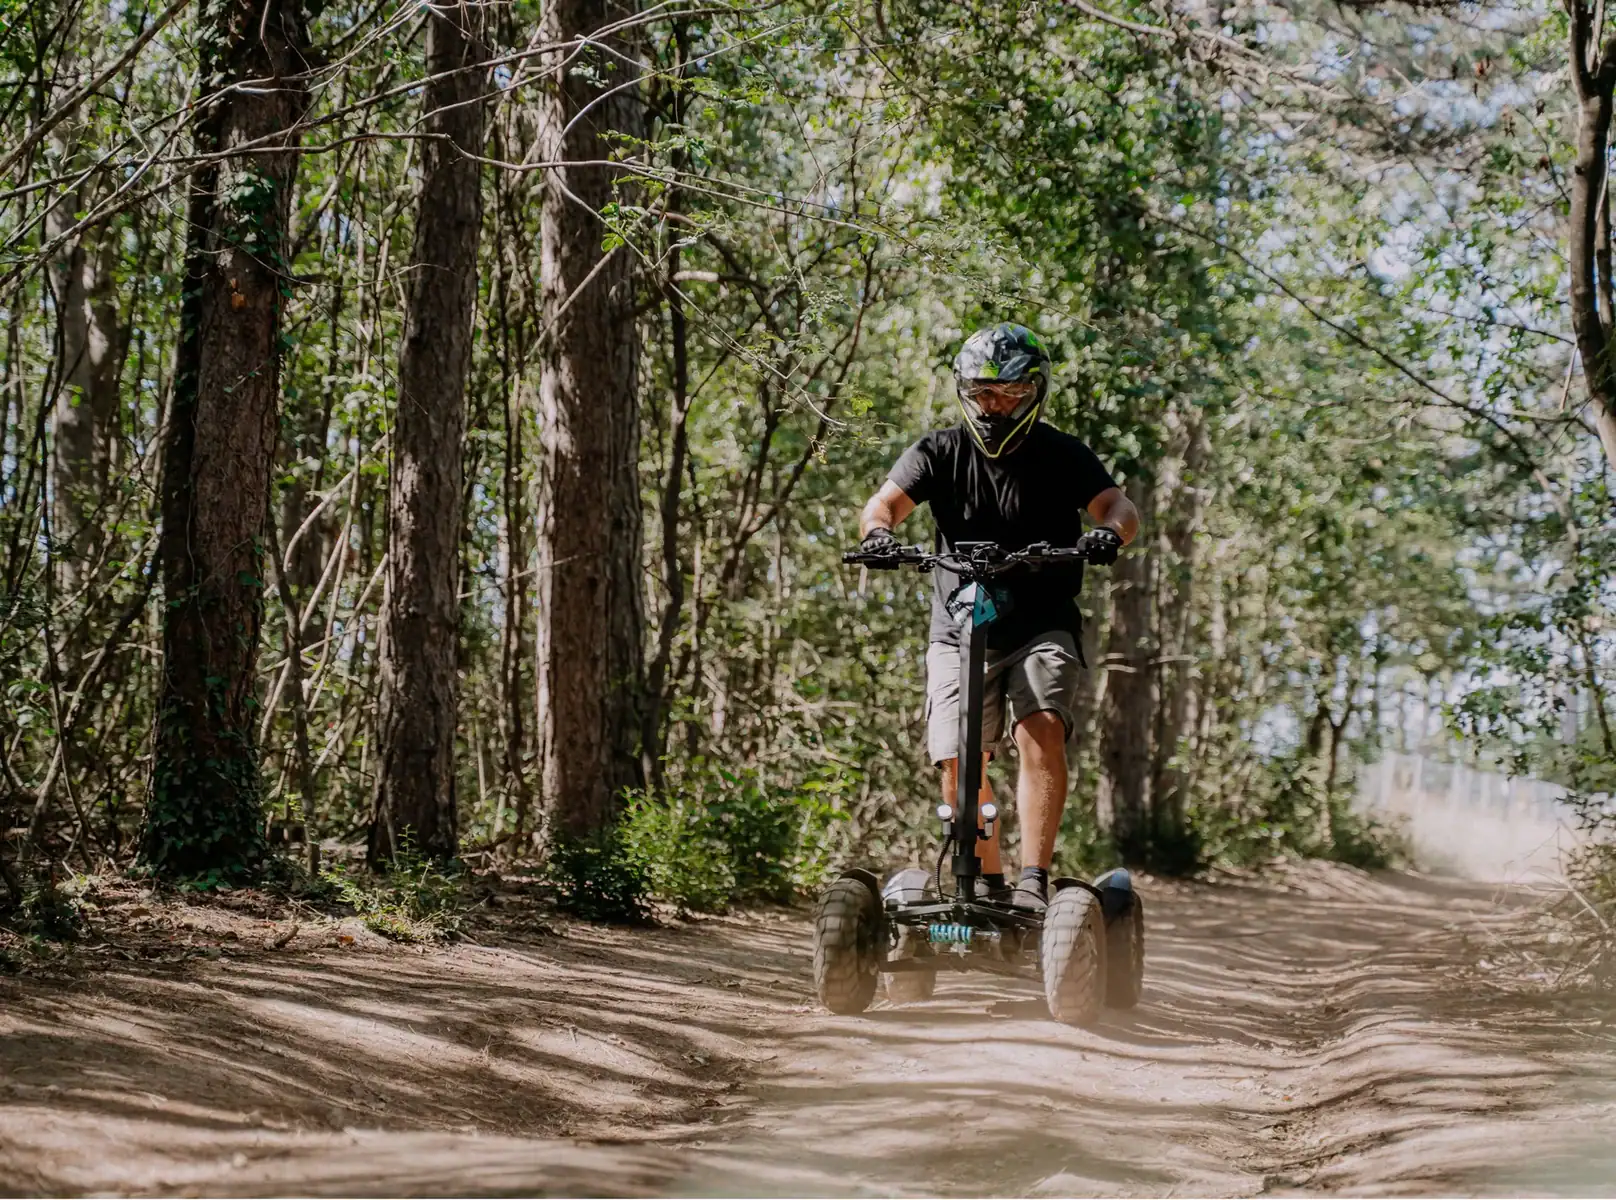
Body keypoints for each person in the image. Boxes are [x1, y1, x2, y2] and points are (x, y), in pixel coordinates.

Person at [857, 322, 1140, 911]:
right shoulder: (938, 451)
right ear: (965, 391)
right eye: (984, 393)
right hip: (957, 626)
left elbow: (1118, 506)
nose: (996, 405)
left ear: (1034, 393)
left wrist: (1107, 535)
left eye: (1011, 394)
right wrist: (880, 535)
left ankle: (1034, 882)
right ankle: (985, 883)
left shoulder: (1062, 454)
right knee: (958, 755)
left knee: (1040, 729)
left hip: (1042, 624)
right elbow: (881, 505)